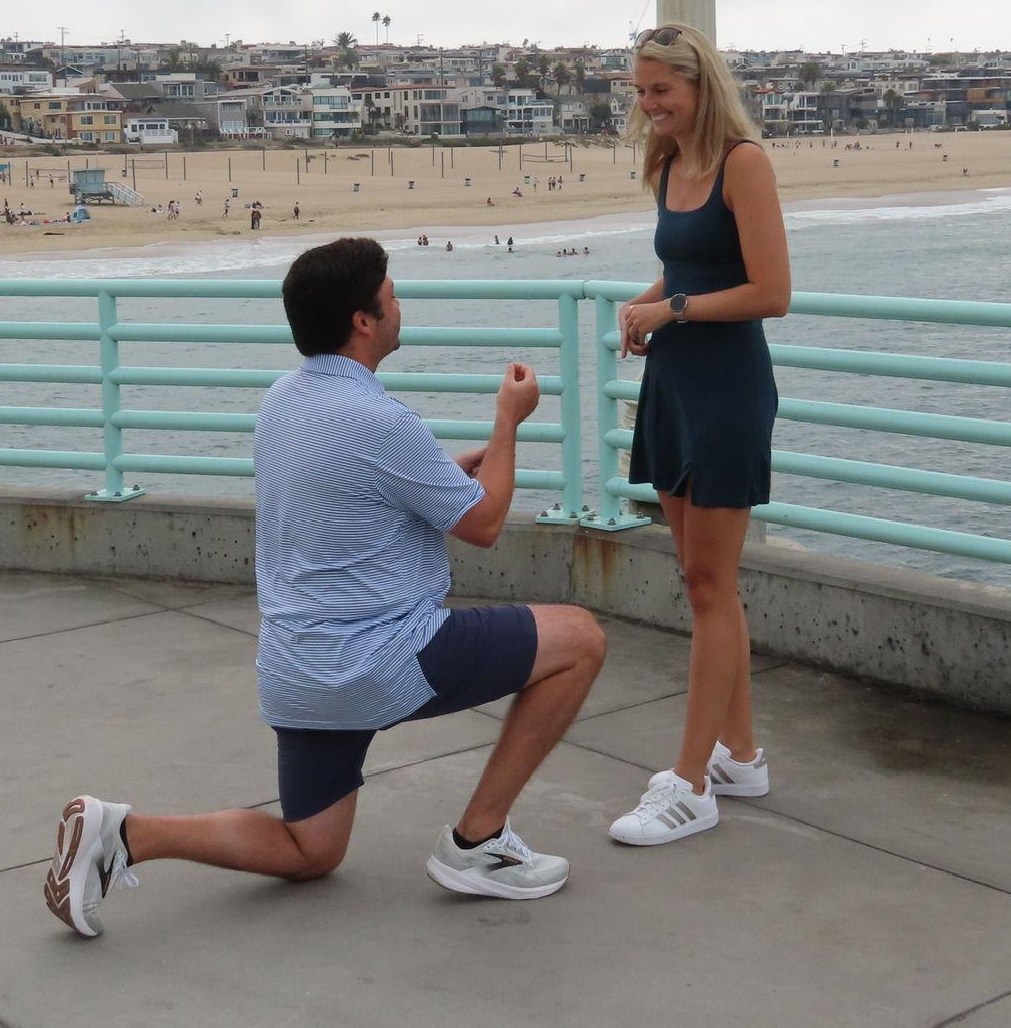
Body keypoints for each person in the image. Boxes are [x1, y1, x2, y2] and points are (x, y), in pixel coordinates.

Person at [44, 237, 605, 935]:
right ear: (363, 321)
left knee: (310, 851)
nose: (401, 305)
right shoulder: (379, 419)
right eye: (392, 296)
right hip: (375, 658)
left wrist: (463, 462)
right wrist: (507, 422)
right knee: (579, 638)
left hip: (297, 668)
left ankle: (123, 833)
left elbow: (374, 486)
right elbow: (485, 522)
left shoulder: (283, 401)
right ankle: (478, 844)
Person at [610, 23, 790, 846]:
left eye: (661, 92)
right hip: (674, 381)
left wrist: (672, 309)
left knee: (711, 584)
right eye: (640, 93)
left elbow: (770, 291)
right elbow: (689, 271)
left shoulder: (741, 163)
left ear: (698, 86)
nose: (648, 107)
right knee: (698, 578)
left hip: (725, 388)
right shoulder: (667, 164)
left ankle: (689, 783)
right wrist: (648, 304)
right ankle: (740, 756)